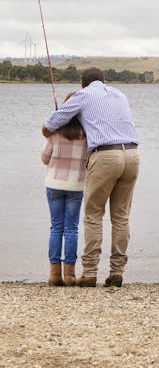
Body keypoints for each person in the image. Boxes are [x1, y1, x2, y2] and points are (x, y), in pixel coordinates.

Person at [42, 67, 139, 288]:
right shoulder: (119, 94)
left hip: (105, 155)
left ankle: (90, 272)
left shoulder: (83, 95)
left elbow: (49, 125)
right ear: (103, 81)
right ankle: (117, 271)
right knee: (121, 216)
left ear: (82, 84)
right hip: (132, 154)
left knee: (94, 214)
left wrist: (53, 132)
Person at [41, 92, 87, 286]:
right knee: (71, 229)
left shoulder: (55, 134)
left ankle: (54, 275)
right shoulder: (86, 135)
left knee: (56, 227)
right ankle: (69, 275)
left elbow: (45, 158)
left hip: (54, 184)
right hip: (76, 186)